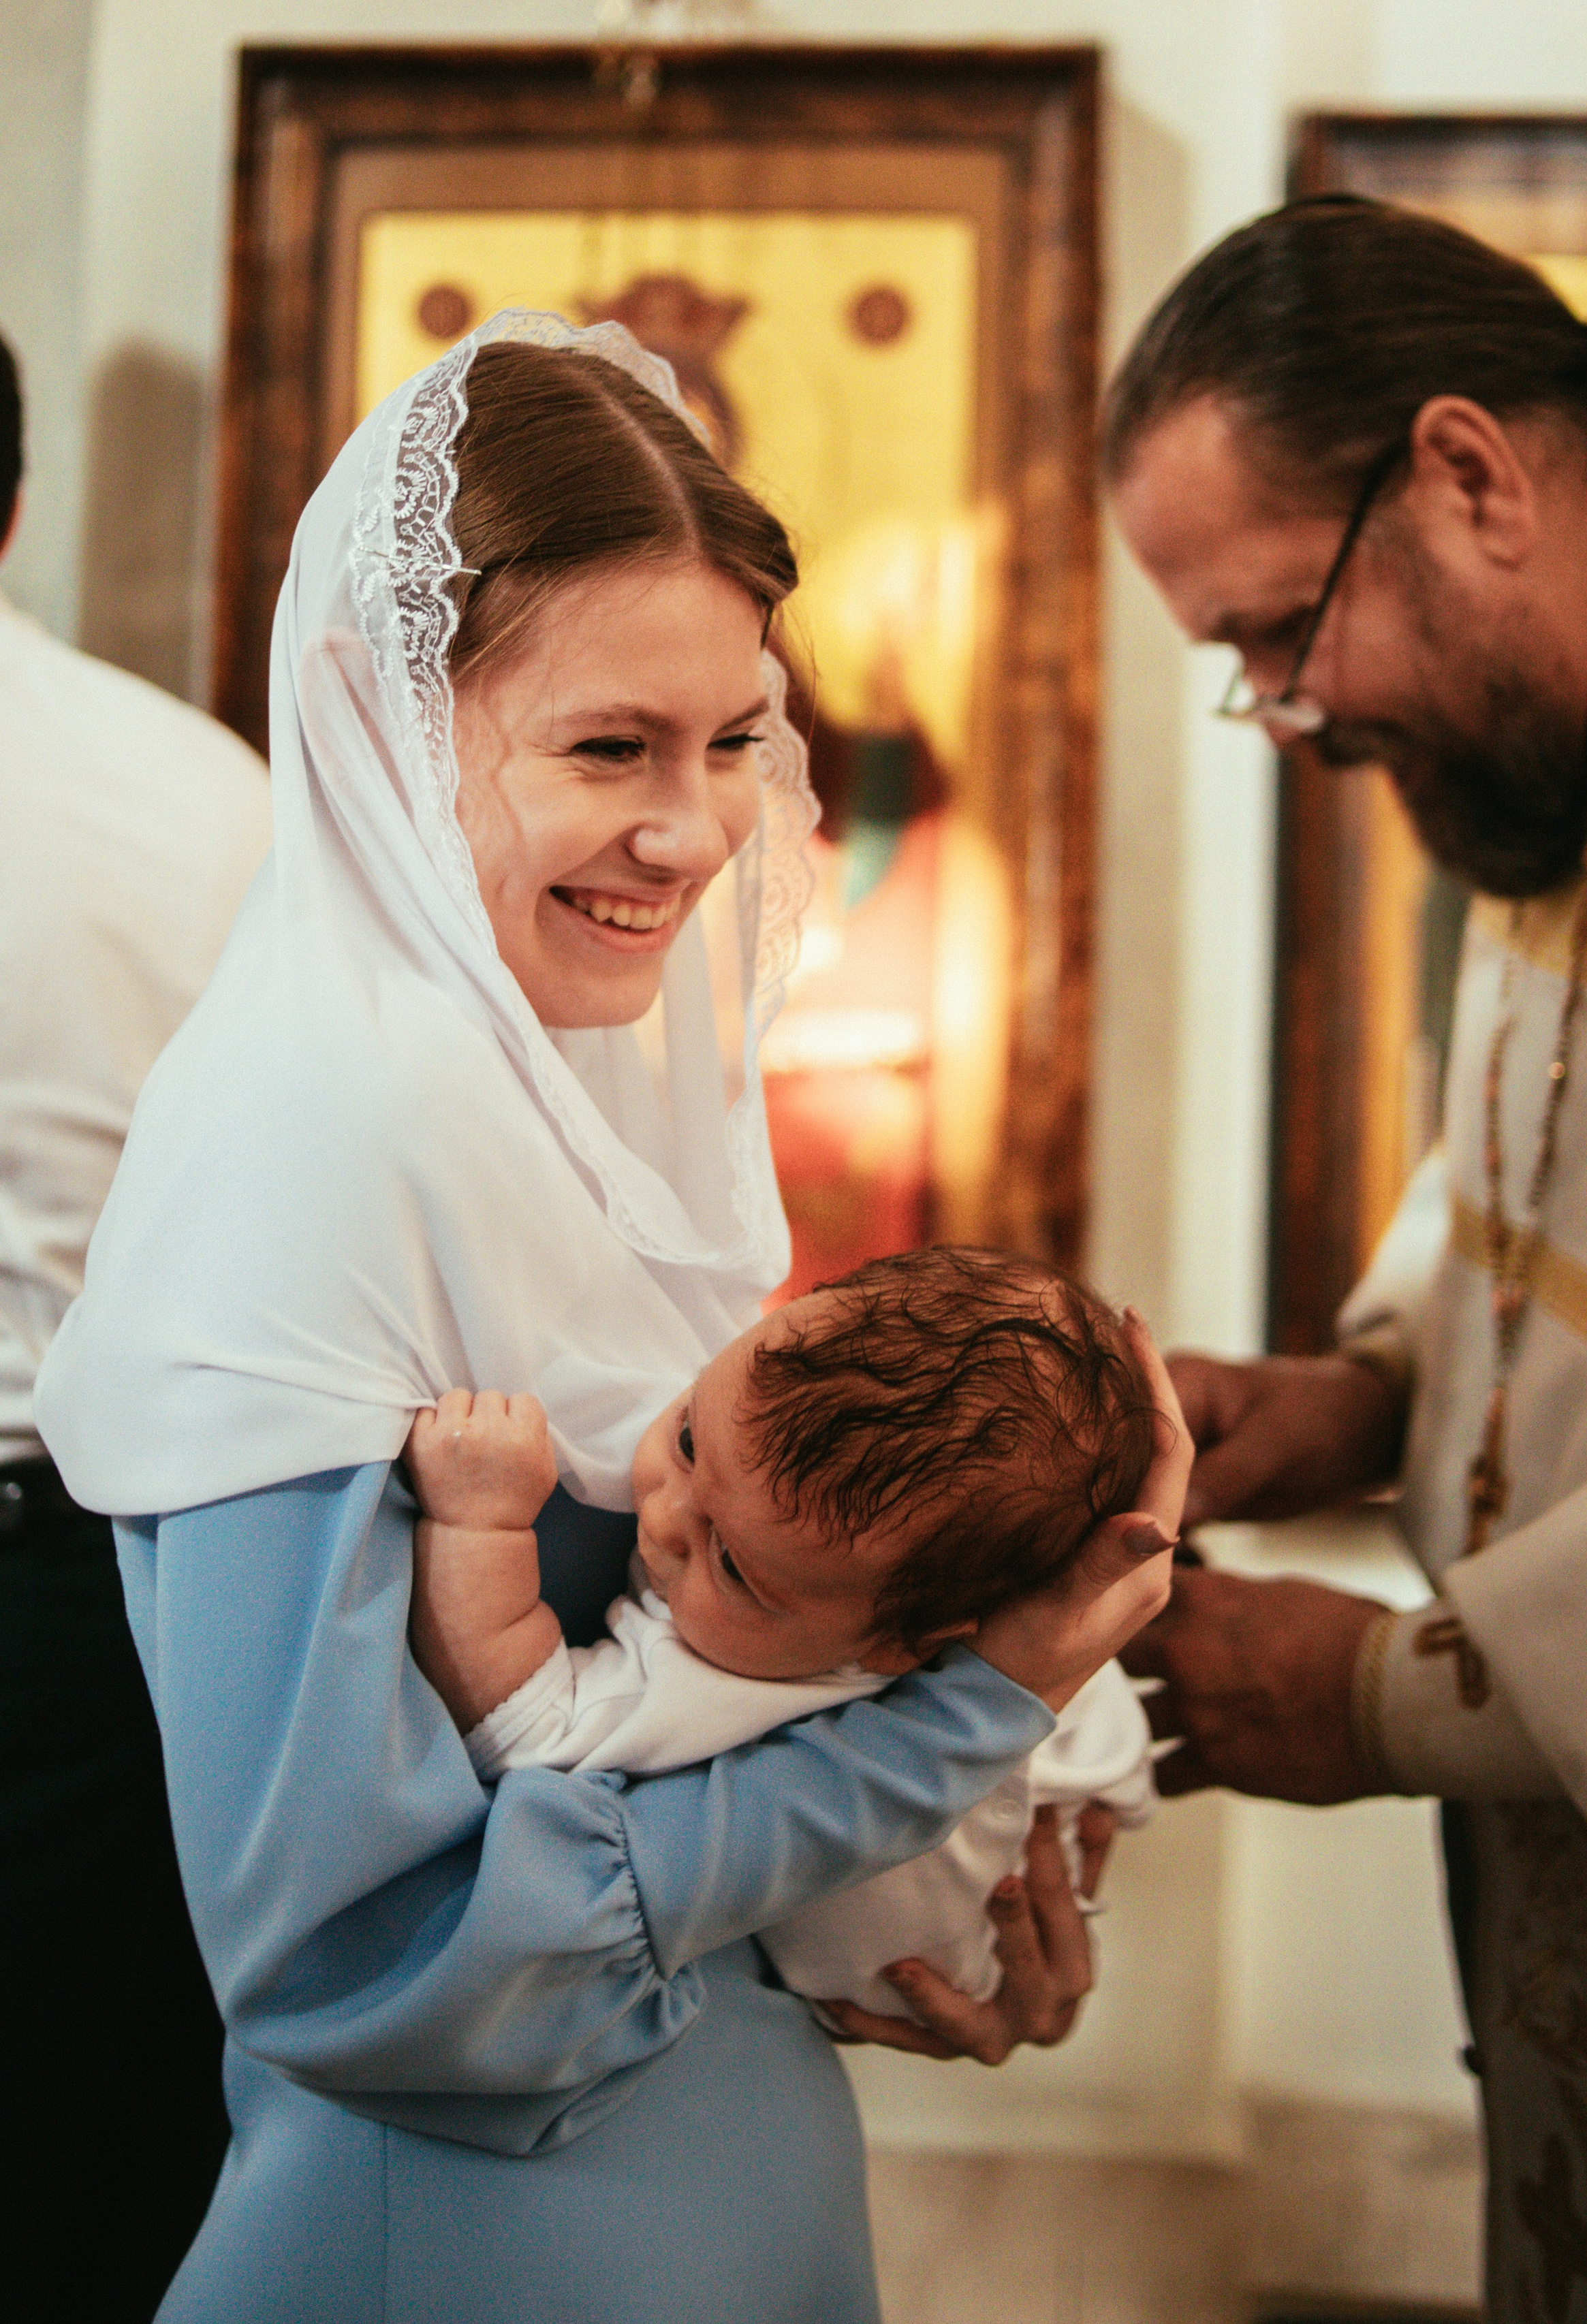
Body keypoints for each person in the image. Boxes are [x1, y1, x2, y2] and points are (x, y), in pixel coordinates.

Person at [35, 314, 1187, 2322]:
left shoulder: (567, 1088)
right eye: (606, 748)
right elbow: (362, 1965)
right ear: (385, 726)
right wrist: (960, 1726)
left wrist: (944, 1885)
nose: (694, 826)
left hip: (703, 2174)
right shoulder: (318, 1140)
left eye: (731, 739)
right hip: (464, 2236)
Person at [1103, 195, 1587, 2323]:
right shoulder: (1582, 725)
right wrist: (1368, 1389)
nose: (1279, 706)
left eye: (1272, 631)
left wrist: (1384, 1693)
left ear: (1467, 474)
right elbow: (1567, 1168)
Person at [403, 1244, 1159, 2021]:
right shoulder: (815, 1561)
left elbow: (528, 1730)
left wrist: (478, 1523)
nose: (663, 1515)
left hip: (945, 1952)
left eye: (731, 1563)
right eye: (688, 1441)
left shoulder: (750, 1681)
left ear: (899, 1645)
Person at [0, 328, 270, 2320]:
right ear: (19, 508)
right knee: (81, 2190)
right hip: (98, 1608)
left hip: (108, 1578)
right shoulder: (205, 801)